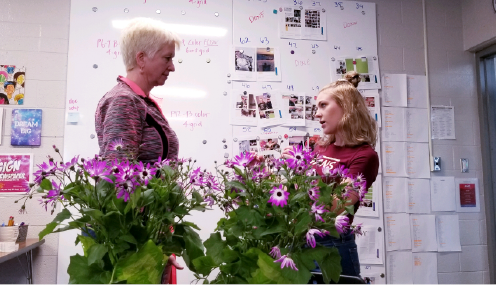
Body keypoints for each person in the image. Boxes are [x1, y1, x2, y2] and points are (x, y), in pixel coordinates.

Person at [94, 17, 183, 283]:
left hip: (150, 234)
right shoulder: (124, 100)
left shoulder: (142, 101)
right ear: (141, 58)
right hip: (137, 244)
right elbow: (119, 181)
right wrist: (148, 245)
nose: (172, 67)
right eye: (167, 58)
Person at [282, 71, 379, 280]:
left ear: (346, 108)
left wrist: (302, 188)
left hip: (332, 245)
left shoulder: (365, 156)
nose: (317, 114)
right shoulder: (321, 148)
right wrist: (295, 169)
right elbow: (301, 194)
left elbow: (337, 207)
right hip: (303, 239)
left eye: (323, 105)